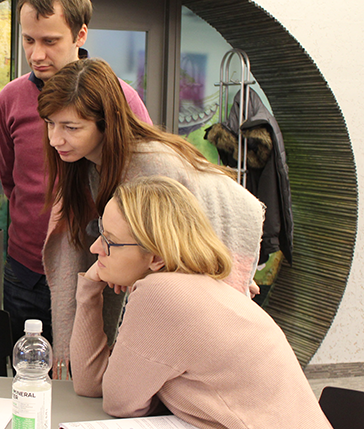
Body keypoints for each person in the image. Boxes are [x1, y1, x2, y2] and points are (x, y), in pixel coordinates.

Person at [39, 58, 263, 379]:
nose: (55, 139)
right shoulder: (91, 162)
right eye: (50, 124)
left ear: (107, 122)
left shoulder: (151, 164)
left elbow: (187, 241)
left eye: (71, 127)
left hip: (196, 282)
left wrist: (232, 270)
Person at [70, 176, 331, 428]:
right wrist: (91, 286)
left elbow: (117, 401)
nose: (95, 248)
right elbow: (93, 385)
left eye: (111, 241)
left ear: (157, 258)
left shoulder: (161, 293)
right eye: (100, 231)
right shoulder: (205, 285)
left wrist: (89, 291)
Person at [0, 0, 152, 357]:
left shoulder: (120, 97)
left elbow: (145, 186)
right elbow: (10, 180)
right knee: (26, 371)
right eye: (29, 40)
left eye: (50, 41)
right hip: (25, 267)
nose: (36, 54)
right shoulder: (11, 98)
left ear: (80, 34)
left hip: (93, 264)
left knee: (88, 375)